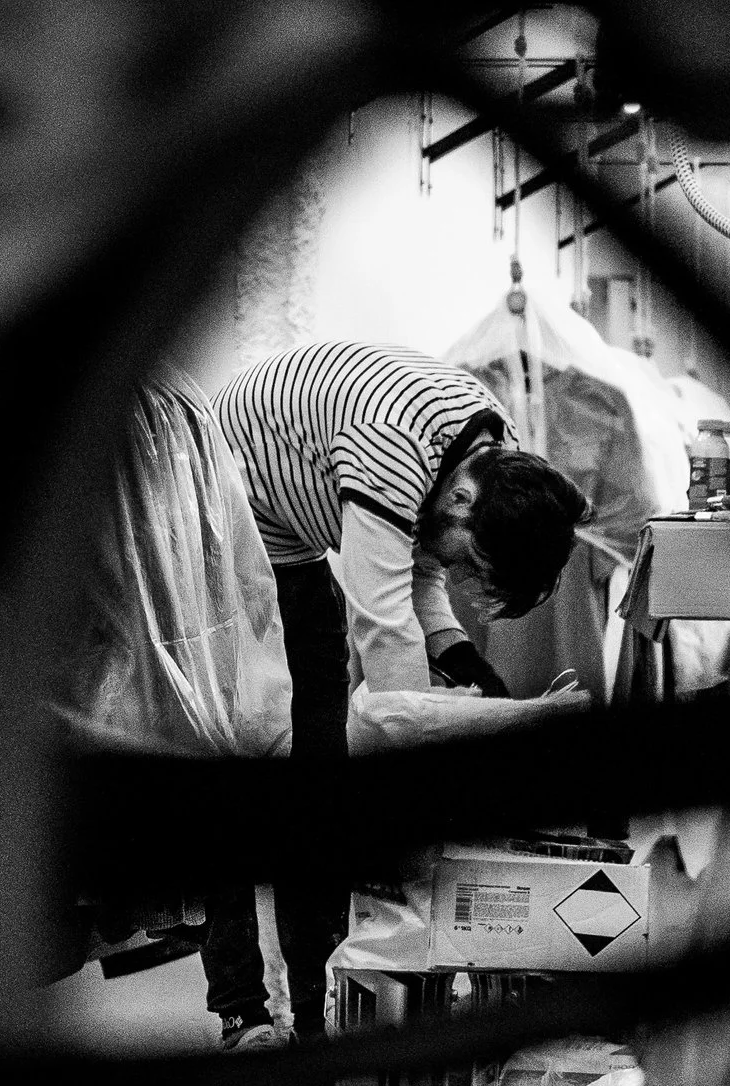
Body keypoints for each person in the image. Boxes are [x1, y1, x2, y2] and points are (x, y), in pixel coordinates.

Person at [207, 338, 588, 1038]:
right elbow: (383, 625)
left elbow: (423, 571)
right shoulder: (396, 447)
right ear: (466, 499)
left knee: (323, 765)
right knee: (256, 766)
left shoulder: (486, 451)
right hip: (234, 520)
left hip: (298, 526)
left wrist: (475, 676)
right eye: (474, 563)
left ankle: (319, 1010)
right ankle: (247, 1013)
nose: (462, 574)